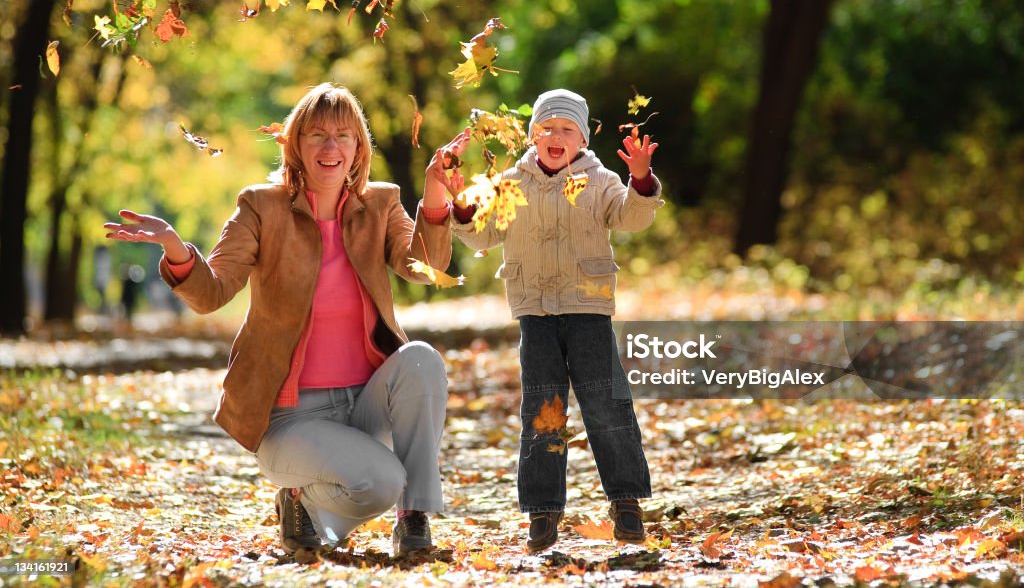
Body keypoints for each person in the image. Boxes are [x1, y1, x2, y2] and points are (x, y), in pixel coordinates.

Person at [104, 83, 468, 557]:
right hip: (291, 419)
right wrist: (176, 249)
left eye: (343, 135)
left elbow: (423, 266)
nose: (331, 147)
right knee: (380, 484)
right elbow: (212, 292)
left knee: (421, 359)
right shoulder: (262, 206)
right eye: (317, 135)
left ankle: (414, 518)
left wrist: (436, 194)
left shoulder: (380, 203)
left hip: (365, 406)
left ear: (359, 146)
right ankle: (298, 497)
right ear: (296, 144)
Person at [450, 88, 663, 553]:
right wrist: (463, 208)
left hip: (588, 308)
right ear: (531, 135)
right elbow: (483, 233)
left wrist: (641, 180)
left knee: (607, 406)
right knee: (543, 414)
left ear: (582, 140)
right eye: (547, 128)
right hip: (535, 311)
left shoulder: (600, 179)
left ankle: (626, 503)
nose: (556, 136)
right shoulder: (510, 182)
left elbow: (630, 219)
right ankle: (543, 512)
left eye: (567, 129)